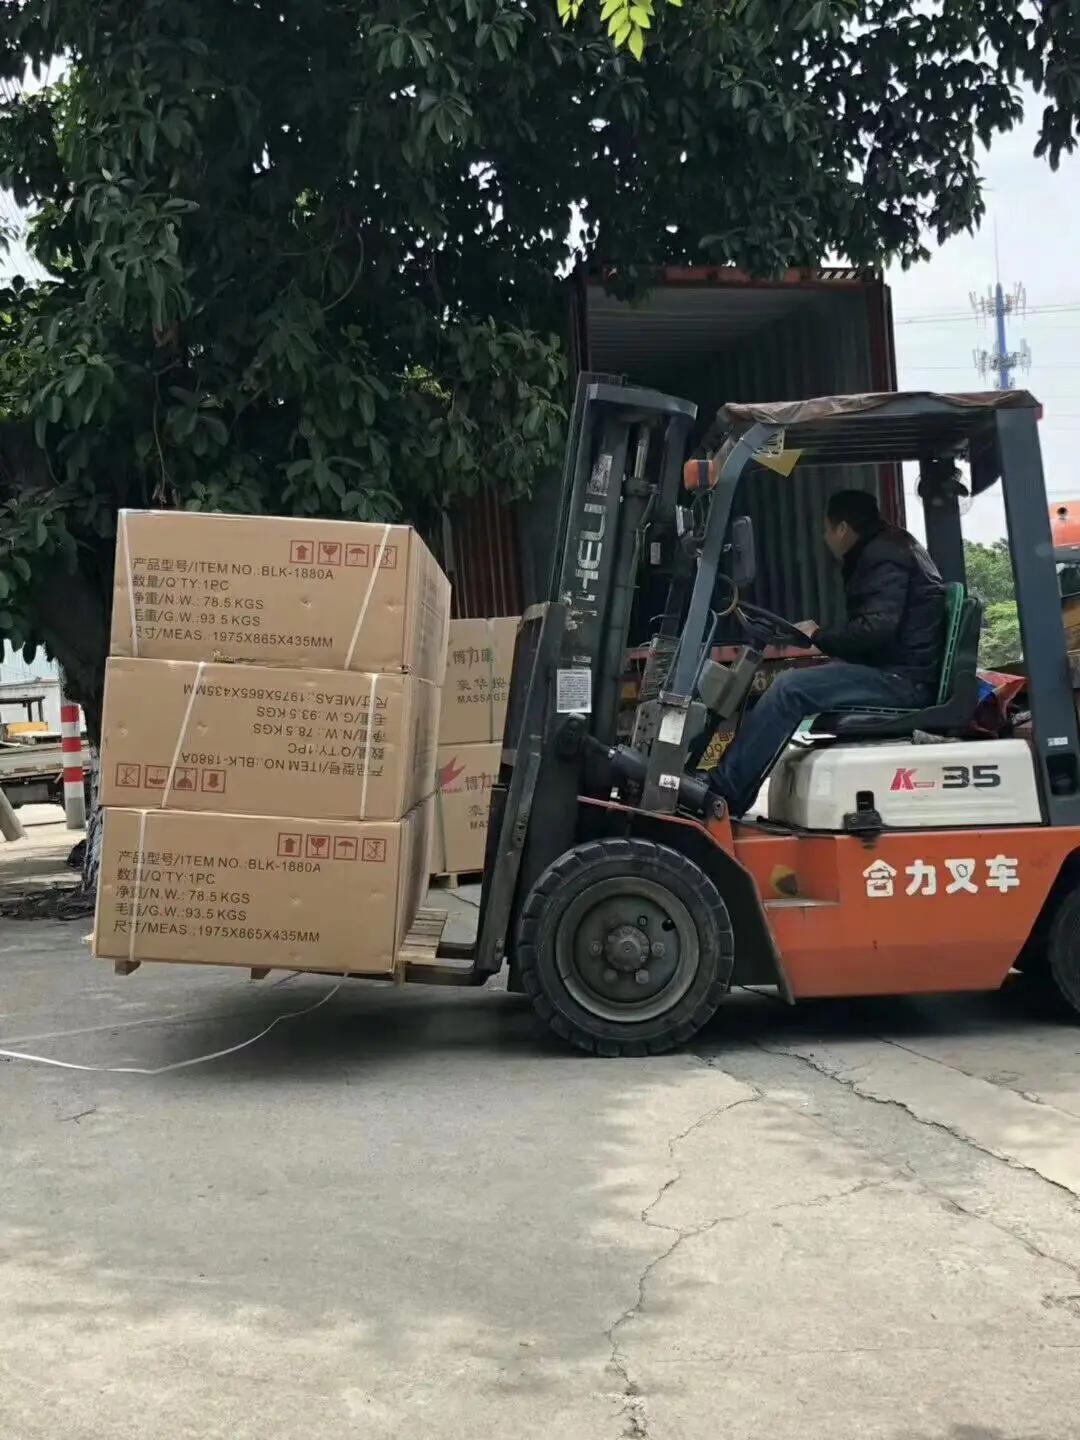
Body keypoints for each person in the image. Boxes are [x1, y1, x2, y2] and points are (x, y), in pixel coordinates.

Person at [708, 489, 947, 817]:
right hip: (900, 670)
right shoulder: (887, 549)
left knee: (789, 688)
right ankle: (730, 790)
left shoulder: (884, 555)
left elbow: (876, 628)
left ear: (842, 529)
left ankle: (722, 791)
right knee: (798, 683)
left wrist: (819, 636)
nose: (825, 538)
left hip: (902, 680)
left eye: (826, 530)